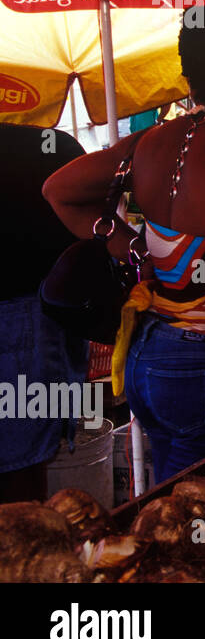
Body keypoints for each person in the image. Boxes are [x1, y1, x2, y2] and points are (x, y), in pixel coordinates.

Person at [44, 6, 205, 482]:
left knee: (172, 515)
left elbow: (60, 191)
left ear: (187, 73)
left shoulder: (148, 145)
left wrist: (134, 250)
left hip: (149, 357)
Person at [0, 125, 86, 502]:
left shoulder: (52, 149)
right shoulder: (51, 148)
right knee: (23, 483)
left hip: (32, 326)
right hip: (35, 325)